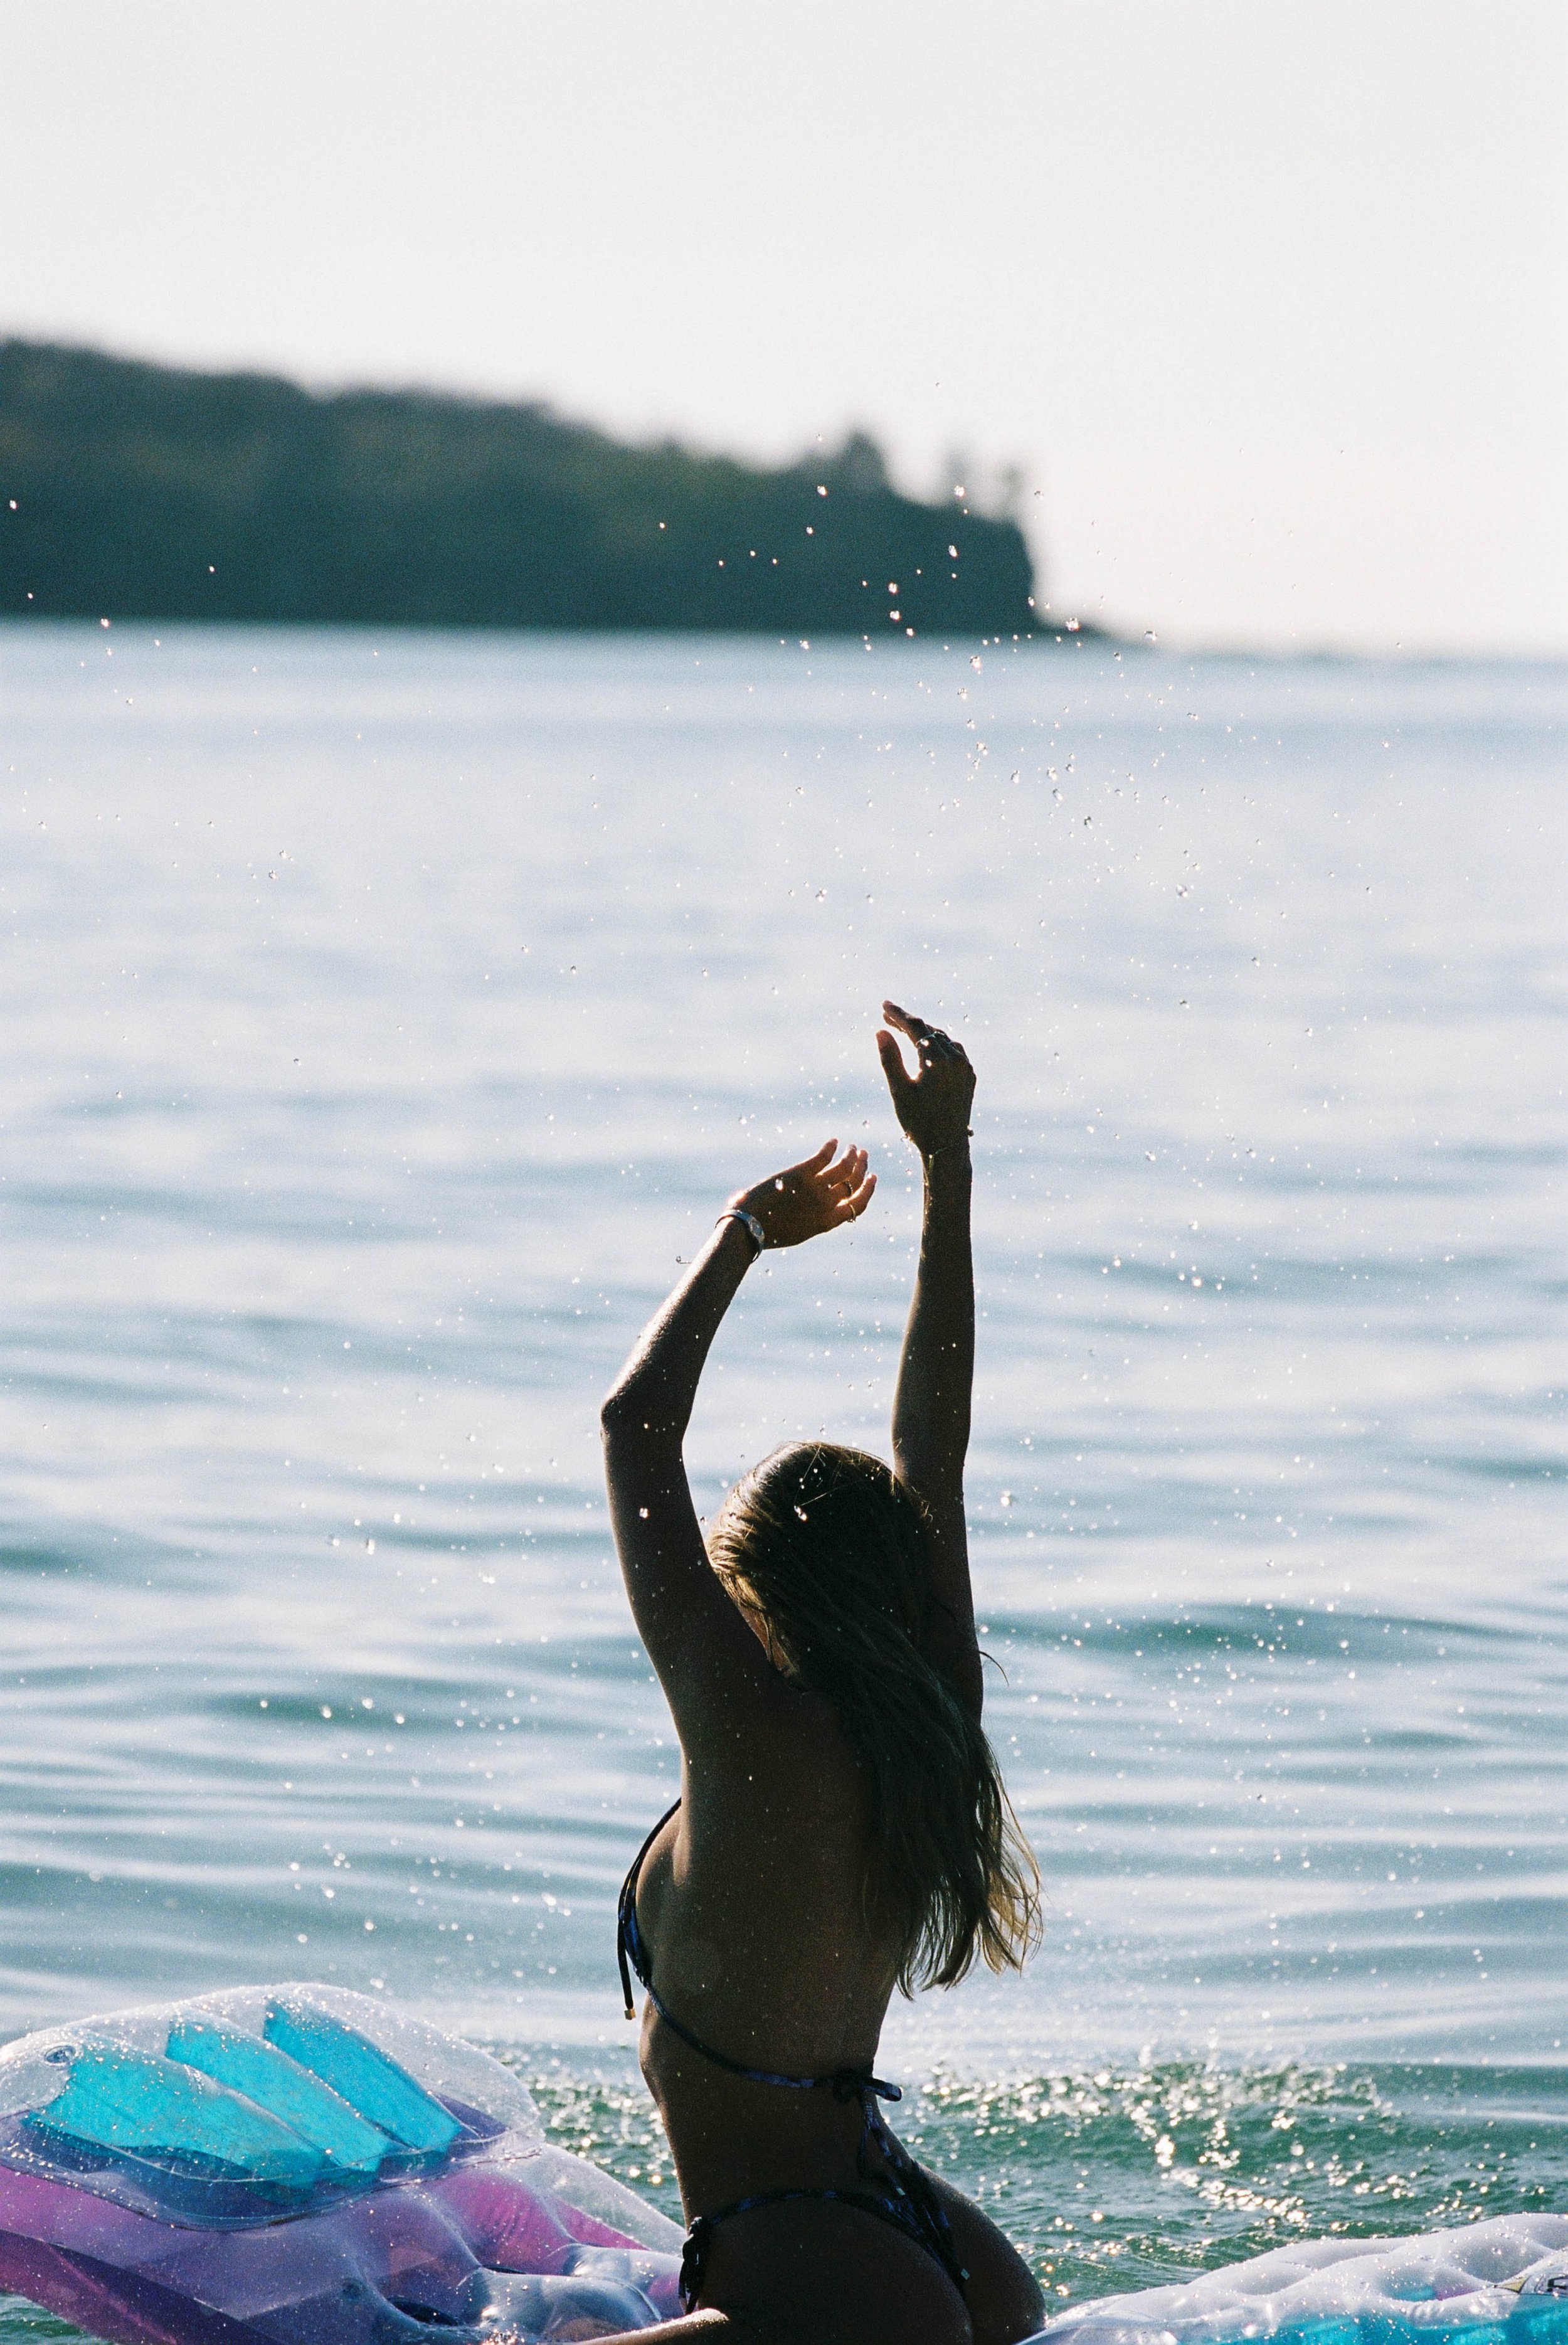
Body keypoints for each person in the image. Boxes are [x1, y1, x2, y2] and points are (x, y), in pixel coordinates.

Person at [596, 1003, 1045, 2345]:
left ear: (755, 1591)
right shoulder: (931, 1714)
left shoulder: (749, 1726)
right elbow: (934, 1449)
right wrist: (945, 1165)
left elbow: (633, 1431)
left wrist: (742, 1232)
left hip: (796, 2261)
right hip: (934, 2247)